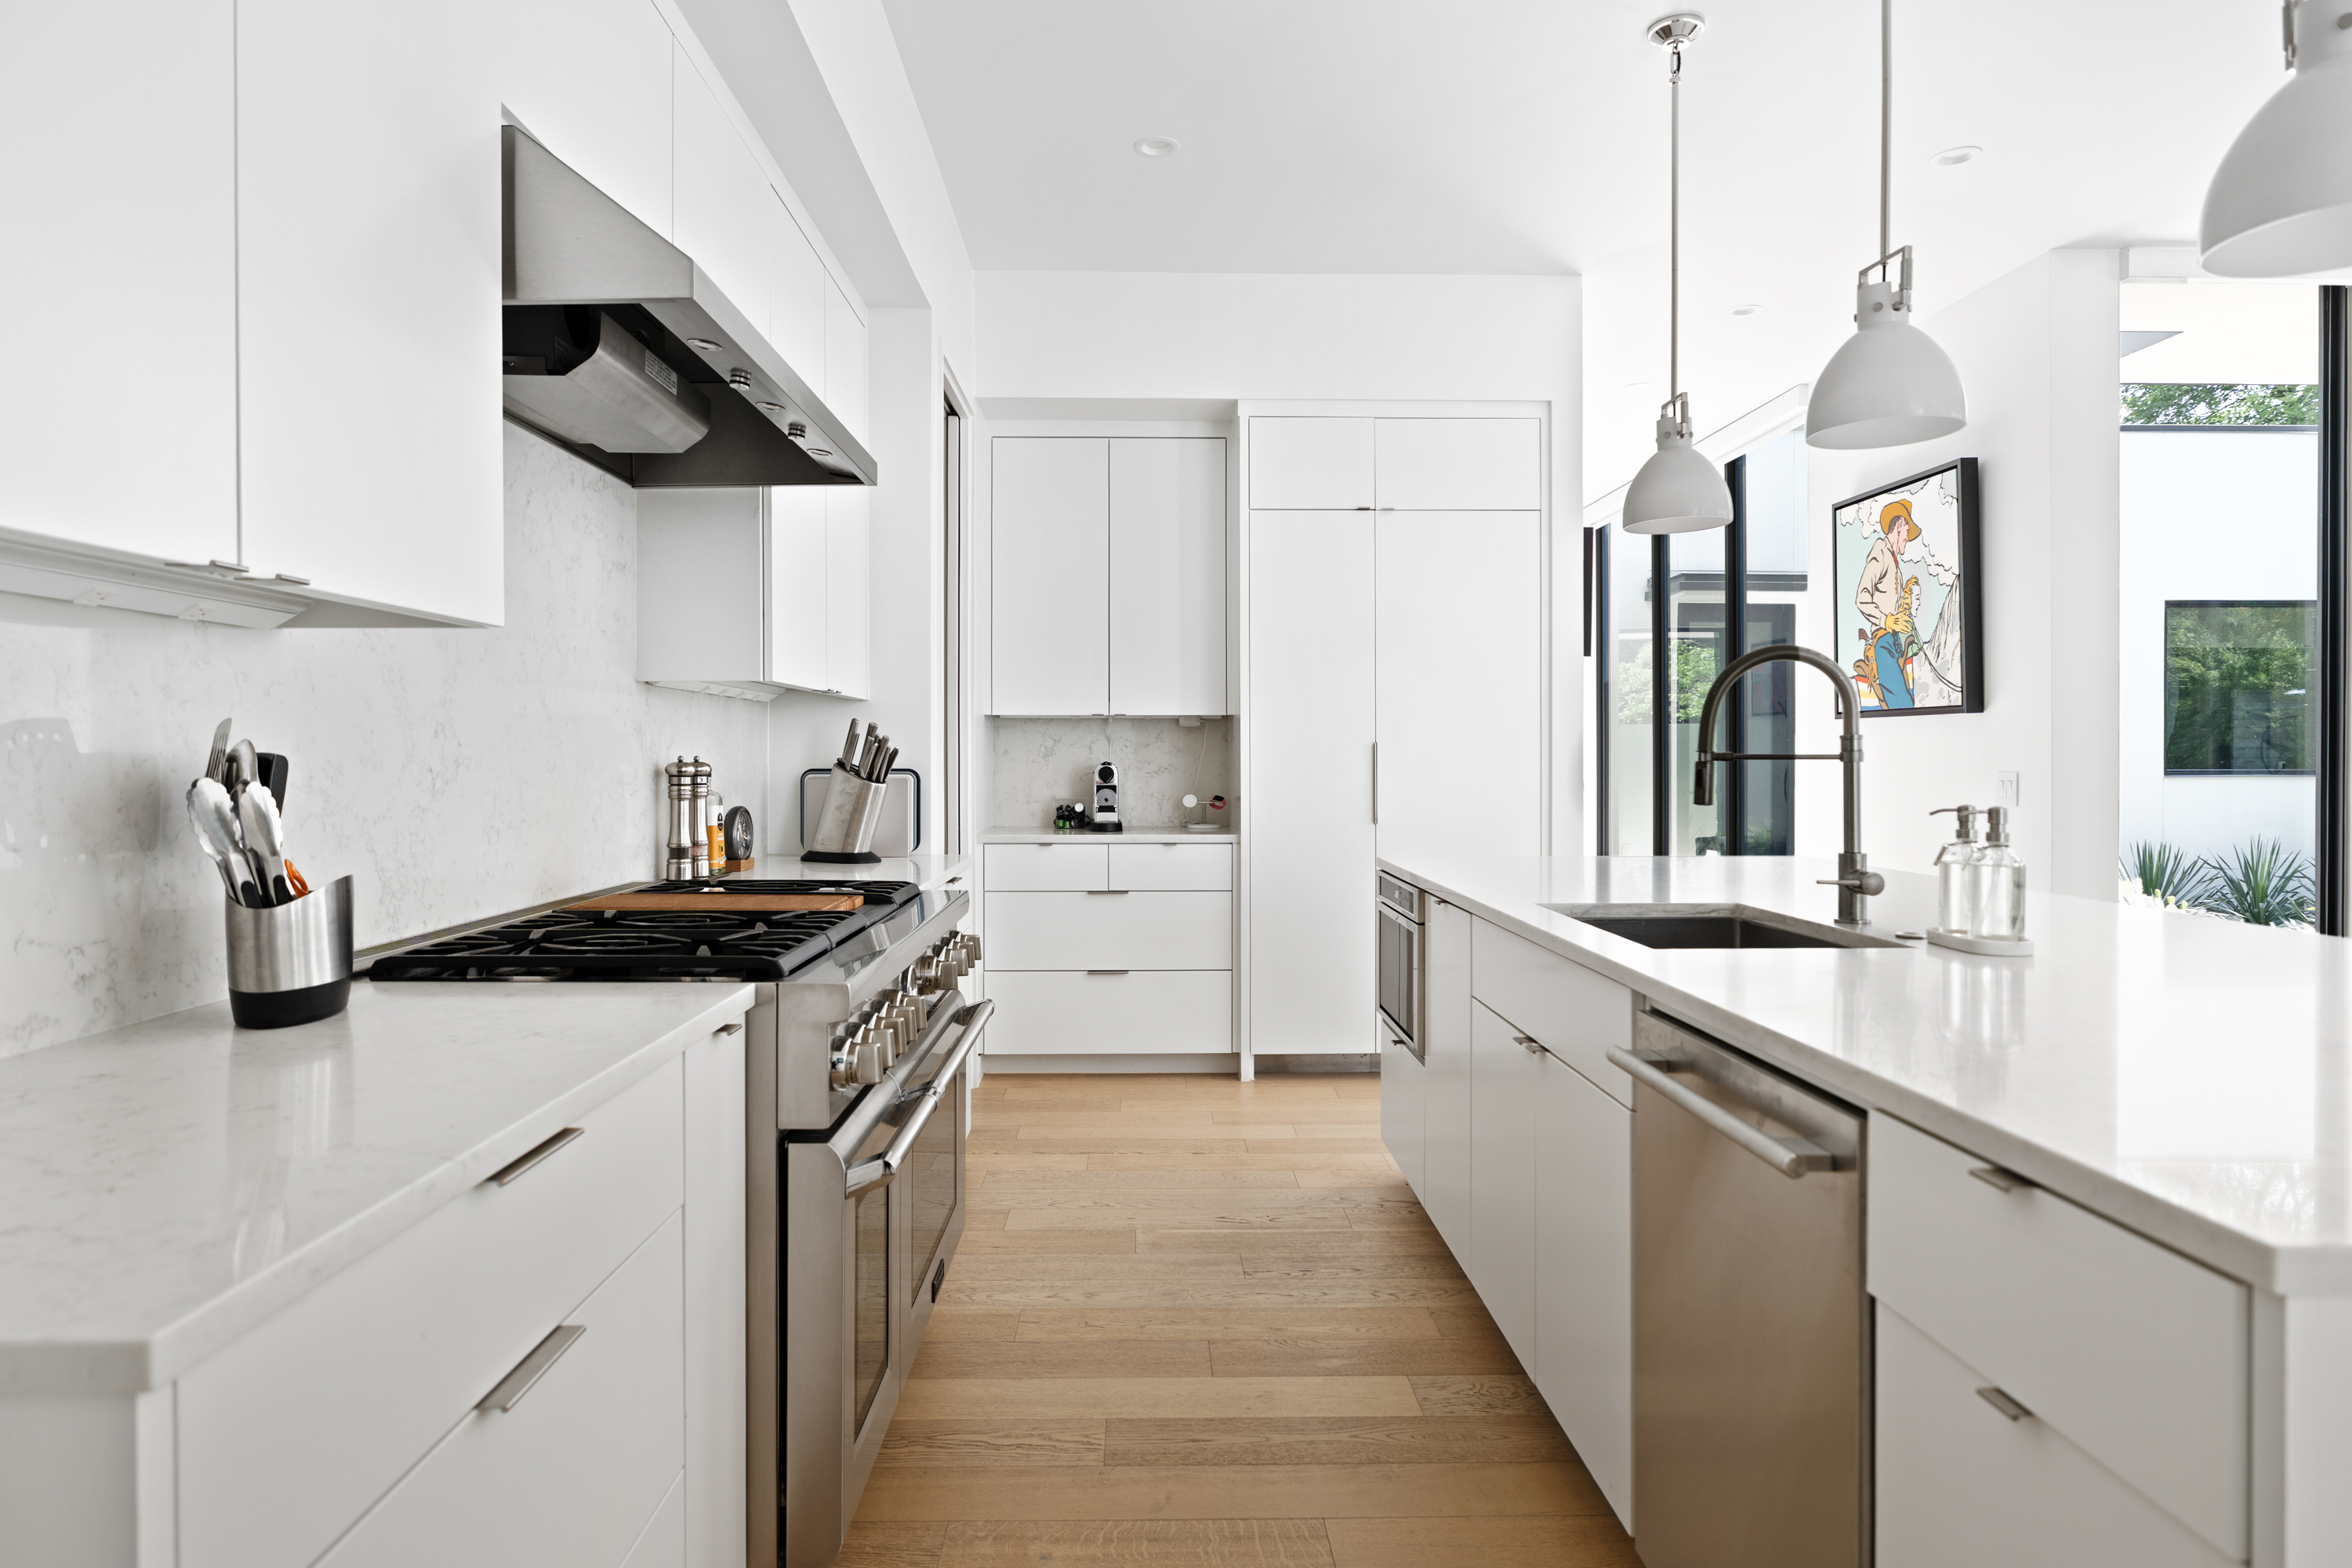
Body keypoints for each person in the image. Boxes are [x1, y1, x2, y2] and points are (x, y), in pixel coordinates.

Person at [1854, 499, 1920, 709]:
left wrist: (1906, 598)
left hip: (1897, 640)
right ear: (1899, 526)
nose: (1907, 539)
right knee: (1902, 704)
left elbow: (1894, 608)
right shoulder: (1880, 553)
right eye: (1907, 531)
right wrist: (1887, 621)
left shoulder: (1896, 566)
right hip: (1883, 641)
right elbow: (1862, 598)